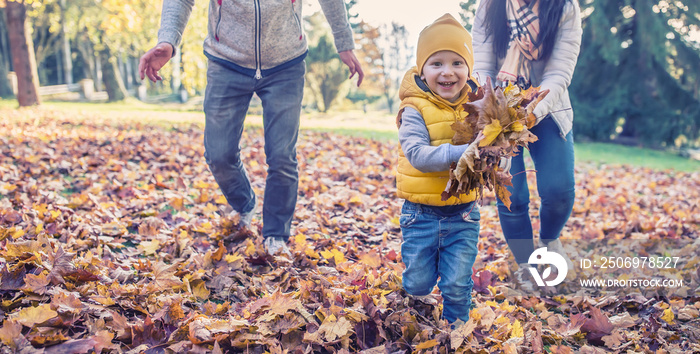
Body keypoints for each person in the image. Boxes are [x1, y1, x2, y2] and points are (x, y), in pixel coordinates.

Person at [139, 0, 364, 256]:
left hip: (286, 62)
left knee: (282, 156)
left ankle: (276, 235)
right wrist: (168, 39)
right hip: (226, 60)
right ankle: (245, 203)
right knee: (219, 154)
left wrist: (344, 41)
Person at [471, 0, 582, 290]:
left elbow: (559, 73)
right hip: (498, 109)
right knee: (513, 196)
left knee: (559, 190)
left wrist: (531, 111)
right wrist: (496, 110)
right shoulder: (490, 7)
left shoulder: (564, 8)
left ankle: (549, 240)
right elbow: (482, 66)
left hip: (548, 107)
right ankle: (525, 264)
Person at [396, 14, 481, 324]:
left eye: (457, 63)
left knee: (458, 284)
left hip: (463, 213)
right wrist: (465, 152)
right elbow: (417, 154)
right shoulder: (414, 108)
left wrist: (495, 154)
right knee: (418, 283)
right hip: (420, 214)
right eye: (437, 63)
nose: (448, 72)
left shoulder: (478, 107)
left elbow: (490, 153)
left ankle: (458, 331)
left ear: (468, 69)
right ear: (423, 69)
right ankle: (415, 321)